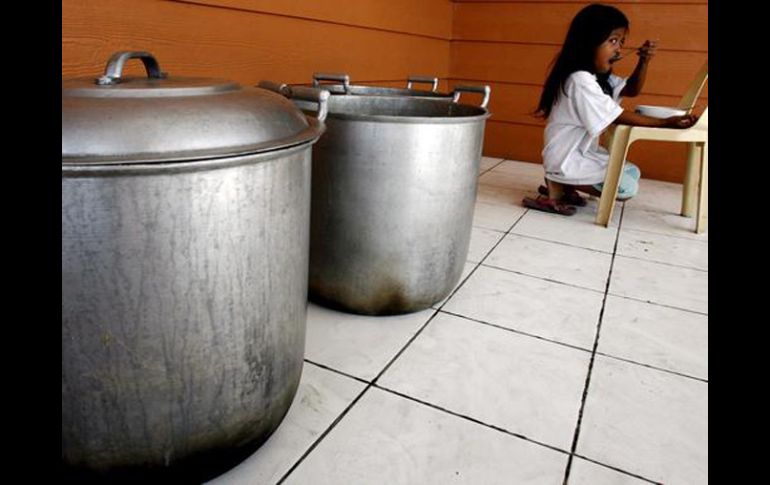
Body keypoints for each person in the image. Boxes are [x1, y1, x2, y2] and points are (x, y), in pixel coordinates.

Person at [523, 3, 697, 215]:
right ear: (588, 42)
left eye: (621, 42)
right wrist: (665, 123)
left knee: (632, 172)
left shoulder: (596, 79)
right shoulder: (580, 80)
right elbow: (618, 116)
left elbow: (631, 90)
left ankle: (564, 185)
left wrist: (644, 61)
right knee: (625, 188)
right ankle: (557, 184)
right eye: (613, 41)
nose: (619, 49)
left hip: (582, 154)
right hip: (565, 158)